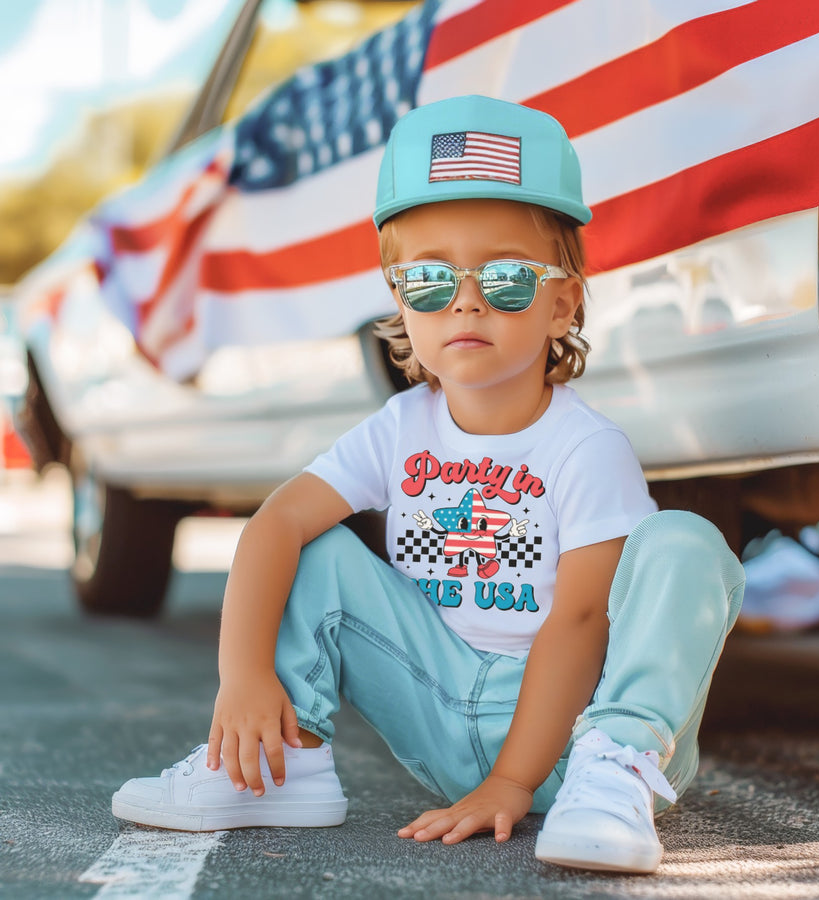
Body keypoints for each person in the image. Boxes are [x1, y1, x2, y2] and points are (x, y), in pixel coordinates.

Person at [112, 94, 745, 874]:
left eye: (510, 277)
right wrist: (241, 679)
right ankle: (280, 764)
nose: (467, 298)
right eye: (431, 279)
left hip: (575, 729)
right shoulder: (400, 427)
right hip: (445, 713)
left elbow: (580, 621)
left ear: (563, 304)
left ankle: (616, 777)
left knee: (685, 542)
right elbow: (273, 525)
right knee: (314, 545)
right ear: (399, 300)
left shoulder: (586, 447)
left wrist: (514, 779)